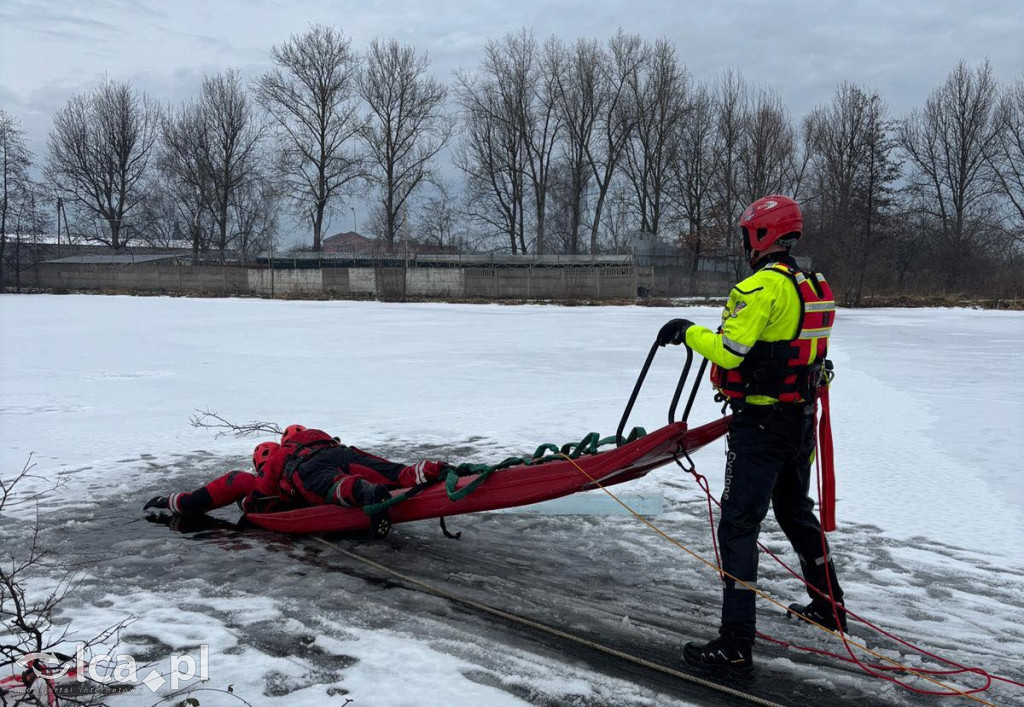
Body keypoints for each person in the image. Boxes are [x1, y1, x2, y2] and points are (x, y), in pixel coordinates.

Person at [656, 195, 846, 674]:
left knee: (738, 525)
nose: (745, 243)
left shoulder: (761, 287)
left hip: (761, 425)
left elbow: (730, 351)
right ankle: (830, 609)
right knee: (795, 511)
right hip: (800, 420)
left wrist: (687, 331)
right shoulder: (813, 285)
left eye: (747, 234)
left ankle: (736, 642)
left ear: (762, 235)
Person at [144, 425, 450, 515]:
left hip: (310, 470)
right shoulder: (319, 435)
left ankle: (361, 492)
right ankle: (433, 470)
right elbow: (357, 453)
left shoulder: (279, 459)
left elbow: (241, 487)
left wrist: (178, 502)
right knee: (392, 471)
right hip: (339, 451)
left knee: (332, 484)